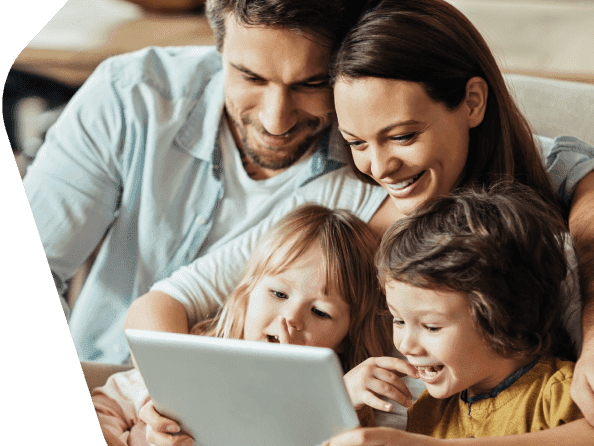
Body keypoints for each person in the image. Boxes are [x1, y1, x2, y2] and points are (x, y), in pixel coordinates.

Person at [129, 0, 594, 446]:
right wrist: (172, 401)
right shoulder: (339, 200)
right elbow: (166, 303)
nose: (380, 166)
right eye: (357, 143)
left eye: (402, 136)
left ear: (472, 102)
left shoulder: (521, 249)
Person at [23, 0, 379, 365]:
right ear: (218, 46)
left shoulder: (371, 170)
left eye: (311, 84)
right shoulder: (131, 95)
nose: (276, 121)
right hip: (93, 378)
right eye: (251, 77)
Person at [340, 182, 594, 446]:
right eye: (397, 320)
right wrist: (352, 417)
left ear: (502, 318)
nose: (405, 344)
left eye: (430, 326)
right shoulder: (433, 409)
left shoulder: (557, 392)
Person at [93, 204, 390, 446]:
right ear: (248, 295)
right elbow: (106, 405)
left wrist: (295, 404)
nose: (291, 318)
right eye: (278, 294)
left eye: (320, 312)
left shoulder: (326, 425)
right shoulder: (193, 359)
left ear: (344, 341)